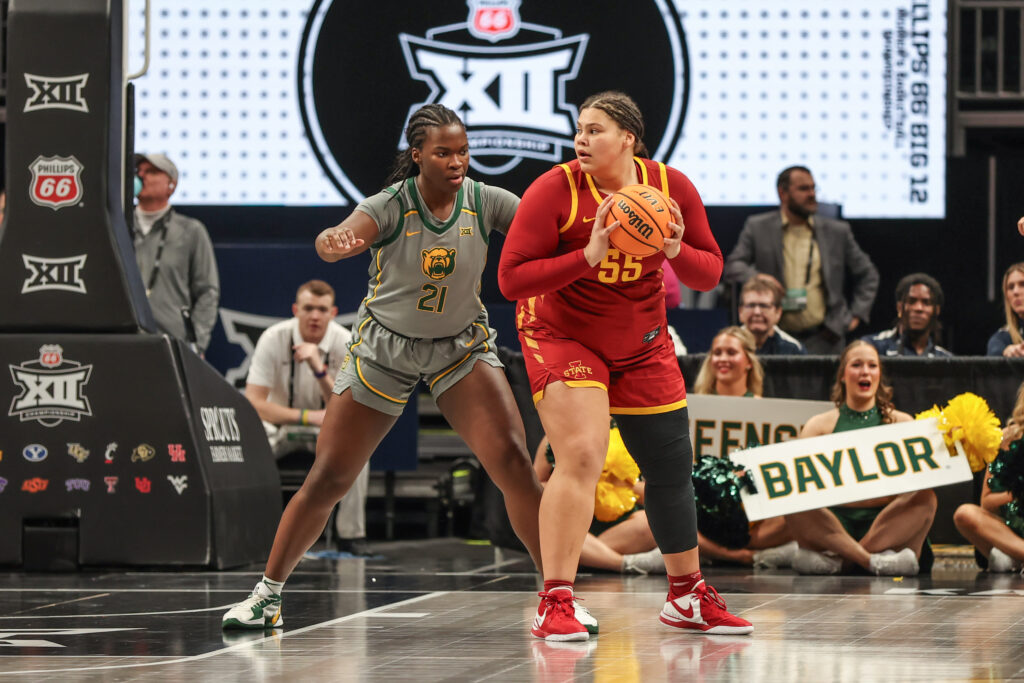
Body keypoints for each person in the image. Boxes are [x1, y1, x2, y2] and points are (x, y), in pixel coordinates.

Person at [222, 104, 545, 630]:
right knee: (329, 477)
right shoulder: (392, 204)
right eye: (443, 152)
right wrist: (334, 242)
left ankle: (556, 593)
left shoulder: (486, 201)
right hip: (385, 350)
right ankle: (268, 595)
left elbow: (544, 223)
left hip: (459, 346)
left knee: (513, 461)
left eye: (462, 151)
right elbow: (338, 237)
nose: (456, 161)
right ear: (418, 155)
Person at [498, 90, 752, 640]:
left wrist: (675, 248)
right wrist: (584, 257)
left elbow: (709, 273)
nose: (580, 140)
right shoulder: (555, 189)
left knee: (669, 465)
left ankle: (686, 596)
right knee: (583, 456)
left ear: (628, 139)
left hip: (641, 341)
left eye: (594, 131)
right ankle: (556, 599)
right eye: (579, 130)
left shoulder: (670, 188)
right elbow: (511, 279)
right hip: (561, 334)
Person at [784, 341, 937, 576]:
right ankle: (871, 562)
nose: (865, 371)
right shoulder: (819, 425)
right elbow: (802, 487)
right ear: (843, 376)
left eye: (872, 365)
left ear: (879, 375)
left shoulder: (903, 422)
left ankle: (843, 562)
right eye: (856, 365)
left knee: (927, 498)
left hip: (886, 523)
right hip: (833, 524)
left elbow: (913, 489)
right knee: (790, 500)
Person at [244, 279, 369, 555]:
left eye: (322, 310)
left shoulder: (345, 341)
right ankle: (250, 533)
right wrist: (306, 417)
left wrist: (318, 368)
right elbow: (253, 402)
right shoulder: (273, 337)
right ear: (295, 310)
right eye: (308, 308)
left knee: (358, 450)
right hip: (279, 427)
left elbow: (344, 409)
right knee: (249, 443)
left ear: (333, 313)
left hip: (325, 430)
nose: (315, 316)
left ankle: (351, 537)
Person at [723, 166, 879, 354]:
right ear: (783, 193)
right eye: (804, 189)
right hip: (775, 337)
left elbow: (868, 274)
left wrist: (855, 315)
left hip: (825, 337)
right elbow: (733, 266)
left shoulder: (837, 232)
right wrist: (762, 279)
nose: (812, 194)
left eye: (813, 188)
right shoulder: (758, 227)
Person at [689, 327, 796, 568]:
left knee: (801, 510)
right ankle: (739, 556)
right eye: (717, 353)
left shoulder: (766, 411)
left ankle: (709, 552)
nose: (723, 359)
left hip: (750, 509)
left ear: (748, 361)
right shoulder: (691, 408)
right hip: (700, 507)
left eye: (731, 352)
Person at [533, 424, 664, 575]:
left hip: (618, 522)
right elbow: (536, 488)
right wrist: (572, 485)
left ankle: (582, 558)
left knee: (649, 522)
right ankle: (624, 564)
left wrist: (618, 482)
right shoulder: (556, 431)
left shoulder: (632, 432)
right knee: (553, 528)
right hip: (571, 516)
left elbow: (652, 493)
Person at [133, 153, 220, 354]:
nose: (142, 176)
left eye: (152, 171)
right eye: (140, 171)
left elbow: (207, 291)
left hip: (173, 344)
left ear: (171, 185)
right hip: (126, 341)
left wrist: (196, 343)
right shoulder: (119, 227)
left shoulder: (190, 231)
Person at [953, 381, 1024, 573]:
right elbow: (987, 503)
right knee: (965, 514)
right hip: (1011, 530)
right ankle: (1015, 555)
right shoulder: (1008, 438)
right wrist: (1017, 493)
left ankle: (1011, 558)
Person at [862, 272, 952, 357]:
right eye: (911, 301)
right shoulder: (871, 347)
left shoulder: (945, 359)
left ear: (936, 310)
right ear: (899, 307)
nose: (918, 308)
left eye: (926, 303)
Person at [737, 276, 806, 355]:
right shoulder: (725, 346)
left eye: (764, 306)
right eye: (751, 305)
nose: (757, 312)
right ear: (740, 311)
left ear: (778, 312)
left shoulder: (794, 349)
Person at [987, 262, 1024, 357]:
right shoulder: (1002, 338)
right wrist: (1007, 351)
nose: (1015, 292)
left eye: (1022, 284)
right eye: (1011, 287)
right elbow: (994, 350)